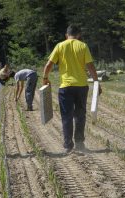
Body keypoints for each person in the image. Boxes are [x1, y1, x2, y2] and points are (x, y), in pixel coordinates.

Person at [42, 24, 102, 153]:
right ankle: (80, 143)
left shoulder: (60, 46)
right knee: (80, 115)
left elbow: (48, 65)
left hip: (66, 87)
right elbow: (90, 66)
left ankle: (68, 145)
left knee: (66, 116)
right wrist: (97, 82)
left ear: (66, 35)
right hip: (81, 86)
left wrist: (45, 78)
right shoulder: (83, 46)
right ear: (79, 35)